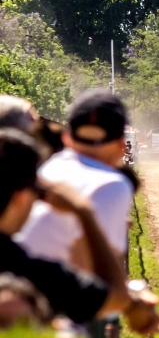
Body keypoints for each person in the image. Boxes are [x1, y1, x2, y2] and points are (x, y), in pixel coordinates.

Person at [0, 128, 159, 332]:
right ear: (21, 197)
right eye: (38, 192)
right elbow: (114, 297)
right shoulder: (21, 265)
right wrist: (84, 212)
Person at [16, 90, 134, 271]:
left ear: (67, 137)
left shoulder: (50, 167)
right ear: (121, 144)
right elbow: (97, 282)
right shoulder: (111, 184)